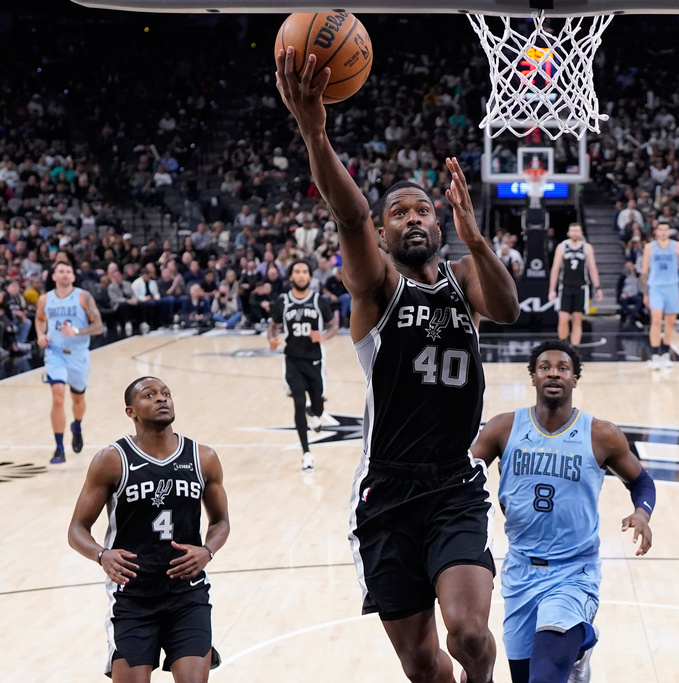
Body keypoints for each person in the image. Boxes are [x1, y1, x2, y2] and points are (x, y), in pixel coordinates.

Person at [276, 46, 520, 683]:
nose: (413, 217)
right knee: (419, 663)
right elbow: (349, 211)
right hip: (385, 489)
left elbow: (509, 308)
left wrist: (476, 234)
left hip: (453, 483)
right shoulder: (377, 287)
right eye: (399, 213)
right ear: (382, 234)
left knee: (469, 634)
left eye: (424, 211)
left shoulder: (465, 279)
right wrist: (313, 131)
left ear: (439, 225)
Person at [470, 341, 654, 683]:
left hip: (574, 573)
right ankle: (578, 652)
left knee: (545, 678)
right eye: (544, 367)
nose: (553, 372)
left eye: (563, 368)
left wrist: (641, 513)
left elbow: (642, 482)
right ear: (533, 377)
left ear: (575, 379)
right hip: (521, 572)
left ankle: (576, 644)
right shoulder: (503, 429)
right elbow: (462, 477)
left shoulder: (601, 435)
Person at [67, 376, 230, 681]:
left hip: (187, 594)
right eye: (149, 395)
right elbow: (76, 528)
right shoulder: (112, 460)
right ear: (131, 411)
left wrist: (207, 551)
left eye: (166, 393)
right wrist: (102, 555)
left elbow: (221, 521)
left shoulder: (202, 458)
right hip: (133, 597)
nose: (161, 399)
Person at [268, 260, 337, 472]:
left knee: (318, 405)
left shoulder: (319, 301)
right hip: (292, 360)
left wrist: (323, 336)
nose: (300, 275)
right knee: (298, 402)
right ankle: (306, 453)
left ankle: (313, 413)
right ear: (291, 277)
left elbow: (333, 325)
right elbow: (273, 325)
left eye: (304, 272)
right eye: (296, 271)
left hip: (315, 360)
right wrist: (271, 338)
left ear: (309, 277)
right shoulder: (283, 302)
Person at [35, 260, 104, 464]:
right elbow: (39, 319)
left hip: (78, 354)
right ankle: (59, 448)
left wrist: (76, 331)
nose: (64, 274)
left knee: (78, 400)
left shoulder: (83, 297)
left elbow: (98, 326)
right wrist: (40, 335)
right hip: (55, 353)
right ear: (54, 276)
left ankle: (77, 426)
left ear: (73, 277)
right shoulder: (45, 299)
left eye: (68, 271)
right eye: (60, 271)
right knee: (58, 397)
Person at [640, 220, 679, 369]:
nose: (663, 232)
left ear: (669, 231)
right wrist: (645, 293)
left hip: (672, 286)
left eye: (666, 229)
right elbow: (644, 272)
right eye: (661, 229)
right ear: (656, 232)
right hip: (656, 287)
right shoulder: (649, 248)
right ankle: (655, 355)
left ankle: (665, 353)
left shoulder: (677, 246)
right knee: (656, 319)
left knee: (670, 322)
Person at [548, 223, 602, 347]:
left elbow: (592, 268)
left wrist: (598, 287)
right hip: (565, 287)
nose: (575, 233)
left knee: (577, 319)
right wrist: (552, 289)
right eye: (572, 230)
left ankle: (575, 349)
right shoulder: (562, 247)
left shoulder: (587, 247)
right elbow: (555, 269)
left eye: (577, 230)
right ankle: (563, 346)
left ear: (581, 232)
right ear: (568, 232)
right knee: (563, 318)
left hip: (581, 287)